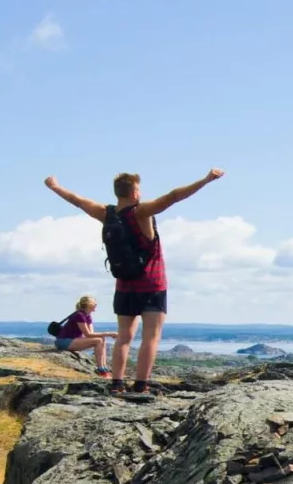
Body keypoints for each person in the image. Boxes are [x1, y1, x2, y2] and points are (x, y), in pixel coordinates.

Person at [44, 168, 226, 394]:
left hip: (124, 287)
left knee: (124, 337)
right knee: (151, 337)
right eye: (138, 189)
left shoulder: (106, 214)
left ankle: (117, 383)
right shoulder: (141, 212)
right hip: (152, 285)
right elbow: (174, 196)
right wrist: (206, 180)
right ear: (134, 192)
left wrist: (55, 187)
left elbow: (77, 201)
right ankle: (140, 385)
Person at [54, 295, 113, 377]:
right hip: (63, 342)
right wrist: (109, 334)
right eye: (94, 303)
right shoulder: (79, 315)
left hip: (71, 340)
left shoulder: (87, 316)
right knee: (99, 340)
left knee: (102, 339)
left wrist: (106, 335)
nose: (96, 305)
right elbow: (88, 334)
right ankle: (101, 370)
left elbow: (91, 334)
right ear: (89, 304)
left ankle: (104, 368)